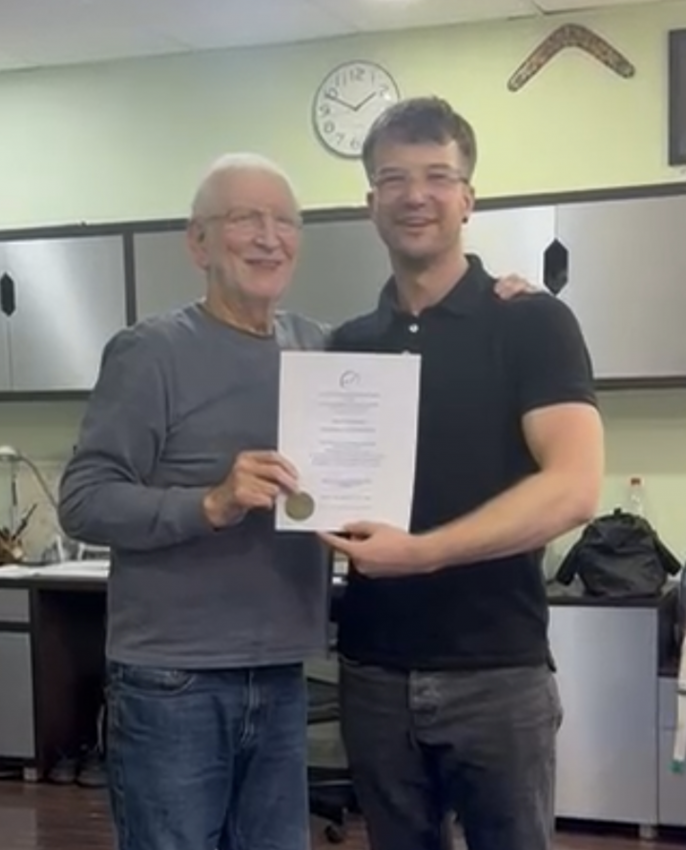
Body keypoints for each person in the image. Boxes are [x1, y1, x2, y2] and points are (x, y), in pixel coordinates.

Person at [58, 151, 547, 850]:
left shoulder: (320, 348)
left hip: (284, 672)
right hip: (176, 678)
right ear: (198, 242)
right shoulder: (151, 352)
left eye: (284, 222)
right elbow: (83, 499)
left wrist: (508, 300)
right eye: (244, 219)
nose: (268, 238)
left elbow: (423, 353)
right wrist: (209, 504)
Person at [321, 96, 605, 850]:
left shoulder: (532, 322)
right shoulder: (347, 347)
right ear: (371, 203)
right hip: (374, 671)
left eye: (437, 176)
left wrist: (422, 552)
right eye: (393, 178)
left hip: (496, 673)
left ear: (468, 198)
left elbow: (574, 487)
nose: (415, 195)